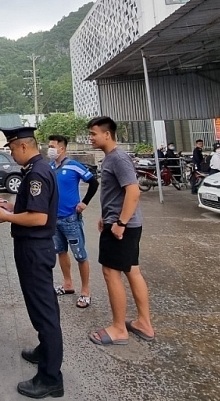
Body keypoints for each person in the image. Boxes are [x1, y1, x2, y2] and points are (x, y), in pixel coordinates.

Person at [0, 126, 64, 399]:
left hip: (34, 248)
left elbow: (38, 218)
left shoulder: (37, 173)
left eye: (11, 149)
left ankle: (50, 378)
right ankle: (45, 351)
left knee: (45, 314)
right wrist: (12, 207)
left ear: (23, 146)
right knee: (42, 308)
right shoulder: (39, 168)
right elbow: (33, 208)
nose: (11, 154)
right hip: (34, 248)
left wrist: (7, 217)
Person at [86, 116, 154, 347]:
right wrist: (106, 217)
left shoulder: (118, 158)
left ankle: (118, 329)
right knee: (132, 271)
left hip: (122, 228)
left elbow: (133, 192)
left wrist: (120, 223)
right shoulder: (112, 158)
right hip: (120, 224)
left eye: (94, 133)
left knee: (111, 273)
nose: (90, 138)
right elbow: (117, 194)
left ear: (107, 134)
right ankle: (144, 323)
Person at [47, 134, 98, 309]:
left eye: (53, 146)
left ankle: (85, 291)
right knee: (61, 251)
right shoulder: (50, 167)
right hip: (55, 219)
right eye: (49, 146)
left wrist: (84, 203)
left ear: (62, 148)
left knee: (80, 255)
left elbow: (94, 183)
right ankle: (68, 284)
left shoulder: (74, 166)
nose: (50, 149)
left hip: (71, 219)